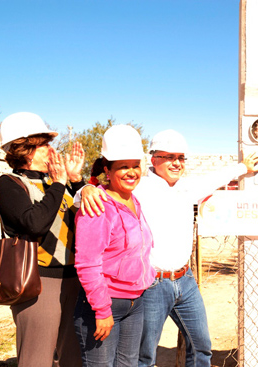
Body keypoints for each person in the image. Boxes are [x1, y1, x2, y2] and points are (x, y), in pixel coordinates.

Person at [78, 129, 258, 367]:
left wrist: (242, 167)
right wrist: (86, 189)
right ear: (153, 159)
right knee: (144, 354)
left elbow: (215, 178)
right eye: (169, 157)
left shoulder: (188, 187)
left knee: (201, 345)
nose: (177, 163)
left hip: (186, 280)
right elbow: (93, 199)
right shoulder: (138, 187)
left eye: (181, 157)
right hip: (154, 283)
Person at [0, 111, 85, 367]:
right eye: (44, 144)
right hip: (38, 282)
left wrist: (76, 180)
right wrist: (59, 184)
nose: (51, 150)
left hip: (73, 279)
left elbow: (90, 217)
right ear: (25, 150)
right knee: (37, 359)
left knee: (74, 358)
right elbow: (34, 223)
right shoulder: (10, 183)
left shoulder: (57, 183)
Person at [73, 124, 156, 366]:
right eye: (123, 167)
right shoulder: (97, 206)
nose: (132, 172)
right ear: (107, 171)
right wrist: (102, 310)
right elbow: (88, 264)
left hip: (135, 302)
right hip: (104, 304)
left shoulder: (134, 200)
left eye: (135, 165)